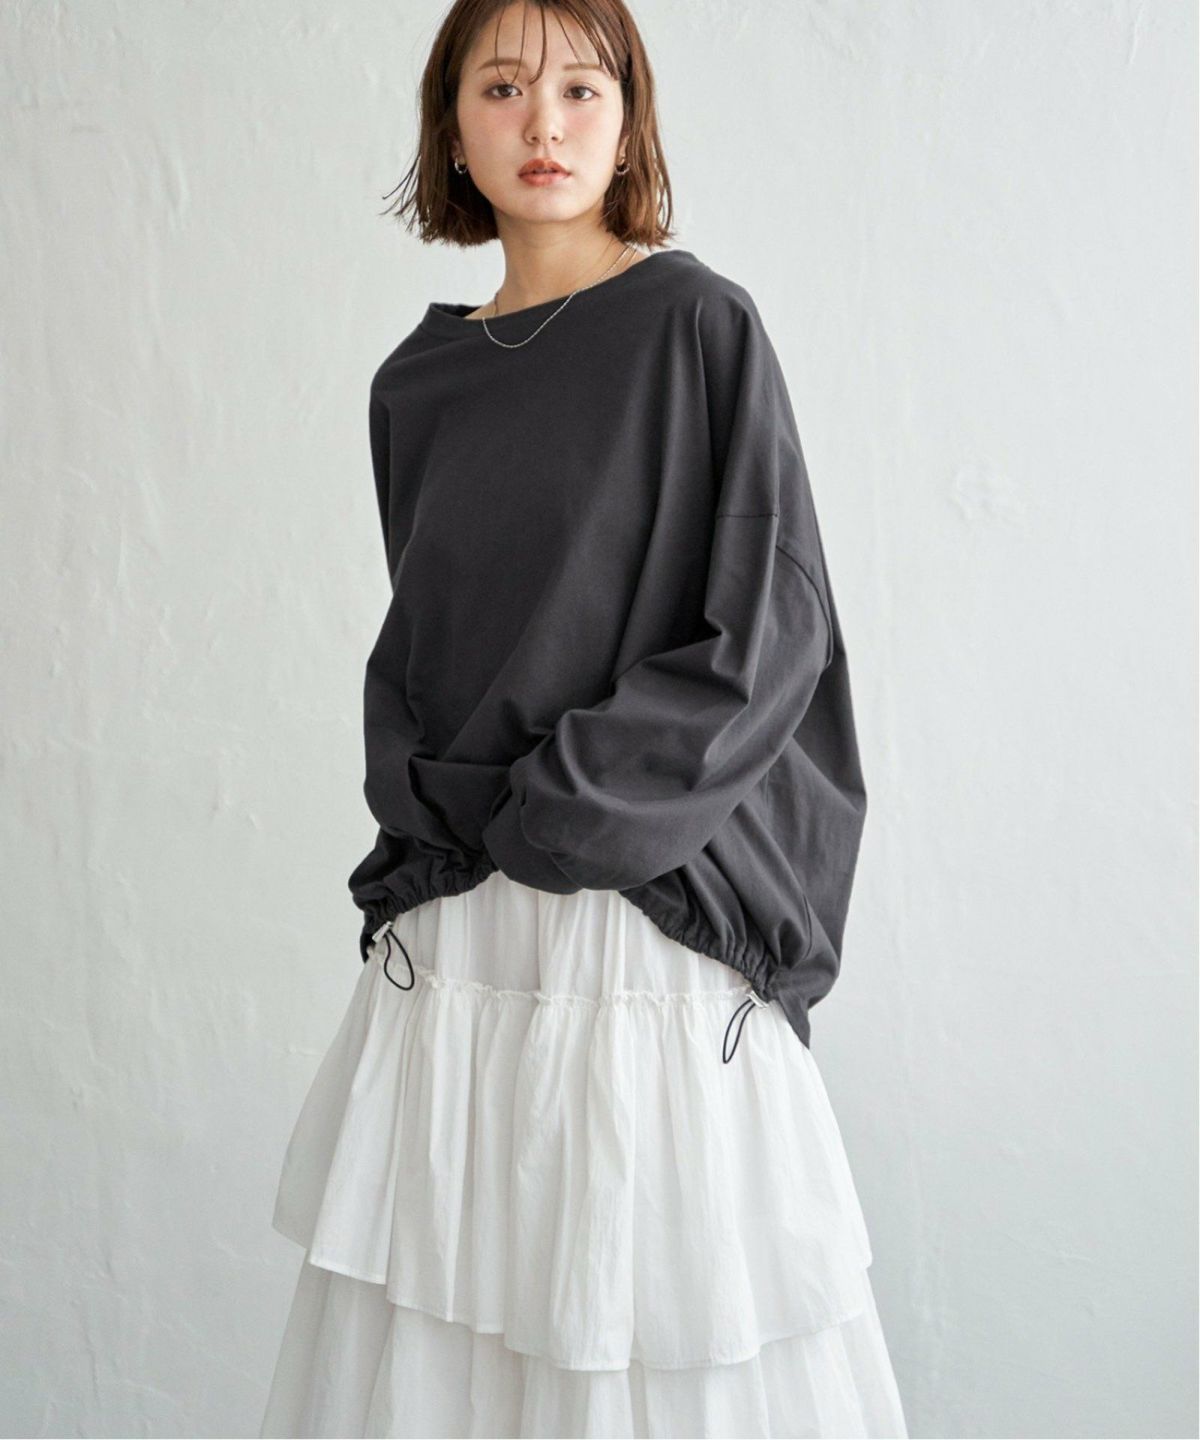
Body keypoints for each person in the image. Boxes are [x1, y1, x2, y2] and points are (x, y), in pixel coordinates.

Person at [259, 1, 909, 1435]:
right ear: (452, 128)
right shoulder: (413, 385)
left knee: (642, 1316)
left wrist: (570, 809)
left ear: (629, 121)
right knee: (451, 1327)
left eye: (579, 88)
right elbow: (438, 643)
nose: (542, 123)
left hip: (642, 910)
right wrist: (445, 814)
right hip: (465, 930)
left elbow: (770, 626)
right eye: (502, 88)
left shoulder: (697, 325)